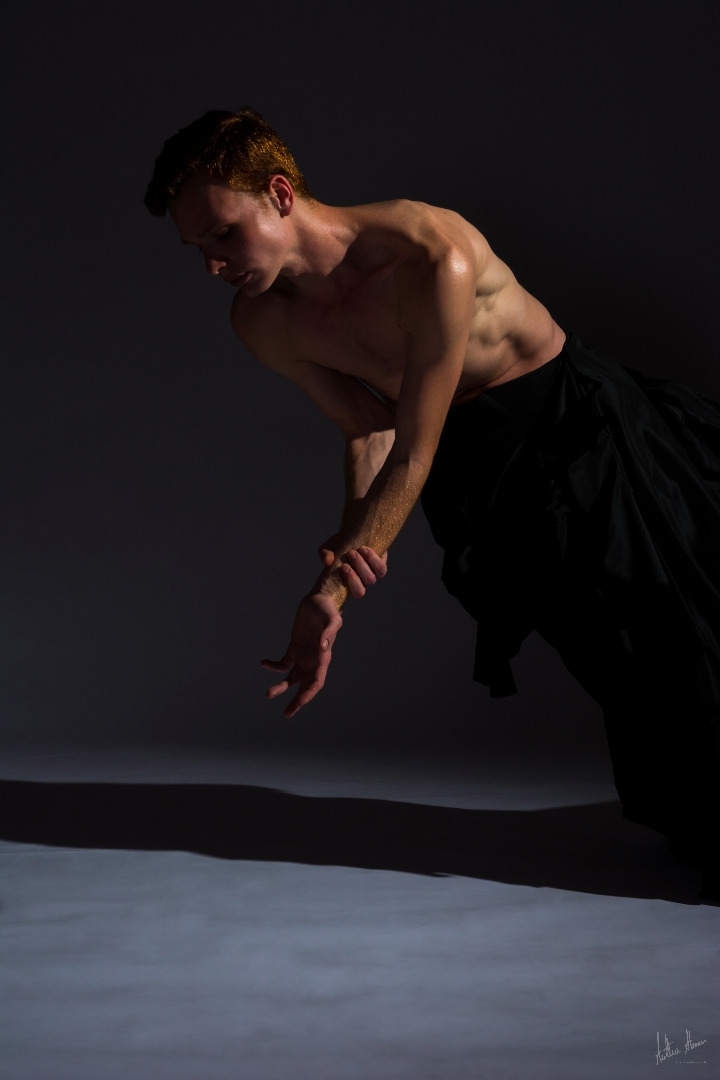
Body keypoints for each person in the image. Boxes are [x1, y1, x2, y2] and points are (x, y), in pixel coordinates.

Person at [146, 108, 720, 895]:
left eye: (223, 234)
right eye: (198, 249)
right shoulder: (264, 320)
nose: (213, 264)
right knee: (611, 656)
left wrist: (336, 584)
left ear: (279, 195)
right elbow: (366, 428)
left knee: (683, 622)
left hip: (573, 426)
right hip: (478, 472)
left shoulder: (427, 253)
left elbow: (415, 446)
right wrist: (342, 561)